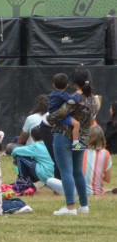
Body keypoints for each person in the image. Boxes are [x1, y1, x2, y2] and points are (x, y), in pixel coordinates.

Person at [47, 68, 97, 215]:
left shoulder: (74, 98)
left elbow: (57, 115)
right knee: (77, 172)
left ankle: (70, 207)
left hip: (64, 136)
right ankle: (84, 205)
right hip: (82, 137)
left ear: (75, 82)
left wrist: (50, 118)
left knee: (66, 172)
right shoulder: (93, 99)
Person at [45, 125, 112, 198]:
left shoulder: (79, 148)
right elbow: (107, 179)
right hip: (96, 192)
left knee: (49, 180)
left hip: (76, 192)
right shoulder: (106, 153)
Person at [47, 73, 84, 150]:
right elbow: (72, 101)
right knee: (77, 124)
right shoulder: (61, 94)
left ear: (53, 85)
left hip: (54, 114)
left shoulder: (53, 94)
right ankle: (75, 144)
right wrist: (78, 94)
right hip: (60, 115)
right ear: (67, 85)